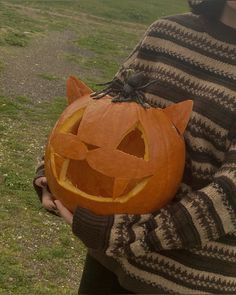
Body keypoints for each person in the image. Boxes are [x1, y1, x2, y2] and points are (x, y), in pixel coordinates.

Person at [34, 0, 236, 293]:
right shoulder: (165, 34)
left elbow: (230, 196)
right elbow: (100, 108)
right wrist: (53, 173)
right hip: (110, 265)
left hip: (188, 282)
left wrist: (129, 234)